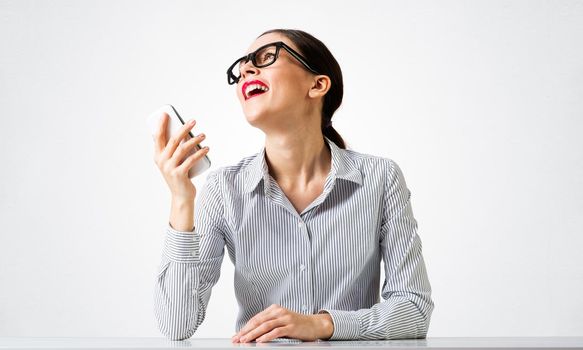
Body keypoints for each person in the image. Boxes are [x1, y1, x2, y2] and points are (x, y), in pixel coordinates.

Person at [152, 28, 434, 343]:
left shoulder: (380, 178)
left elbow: (414, 309)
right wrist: (181, 199)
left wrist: (323, 325)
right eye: (242, 65)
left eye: (265, 57)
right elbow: (177, 325)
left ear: (318, 84)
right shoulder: (224, 188)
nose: (246, 70)